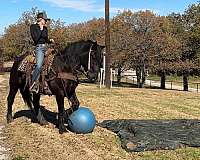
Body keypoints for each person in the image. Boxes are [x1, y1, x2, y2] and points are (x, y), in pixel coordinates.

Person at [29, 11, 54, 93]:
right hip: (39, 48)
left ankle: (48, 85)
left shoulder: (46, 28)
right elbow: (36, 39)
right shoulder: (33, 27)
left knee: (53, 63)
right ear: (40, 19)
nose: (46, 21)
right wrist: (41, 28)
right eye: (45, 20)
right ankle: (33, 84)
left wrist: (50, 41)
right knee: (39, 65)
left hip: (46, 48)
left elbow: (45, 39)